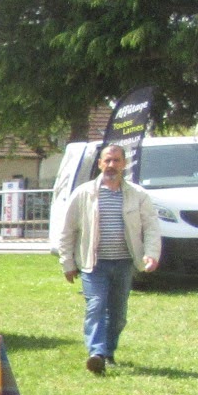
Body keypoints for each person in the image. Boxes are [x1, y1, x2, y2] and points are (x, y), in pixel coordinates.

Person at [54, 141, 160, 373]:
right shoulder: (83, 194)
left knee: (118, 313)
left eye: (116, 160)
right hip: (94, 264)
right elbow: (67, 230)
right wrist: (67, 263)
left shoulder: (137, 195)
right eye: (107, 160)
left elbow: (151, 227)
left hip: (124, 263)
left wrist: (151, 254)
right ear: (100, 164)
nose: (111, 165)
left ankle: (108, 353)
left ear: (124, 164)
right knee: (96, 305)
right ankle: (97, 353)